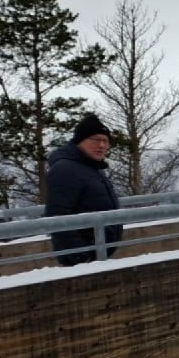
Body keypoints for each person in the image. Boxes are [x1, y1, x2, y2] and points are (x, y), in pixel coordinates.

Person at [45, 112, 123, 266]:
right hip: (81, 262)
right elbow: (57, 216)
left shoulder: (90, 166)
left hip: (97, 253)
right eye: (95, 140)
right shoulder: (65, 169)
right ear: (80, 141)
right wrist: (81, 256)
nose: (101, 145)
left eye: (105, 141)